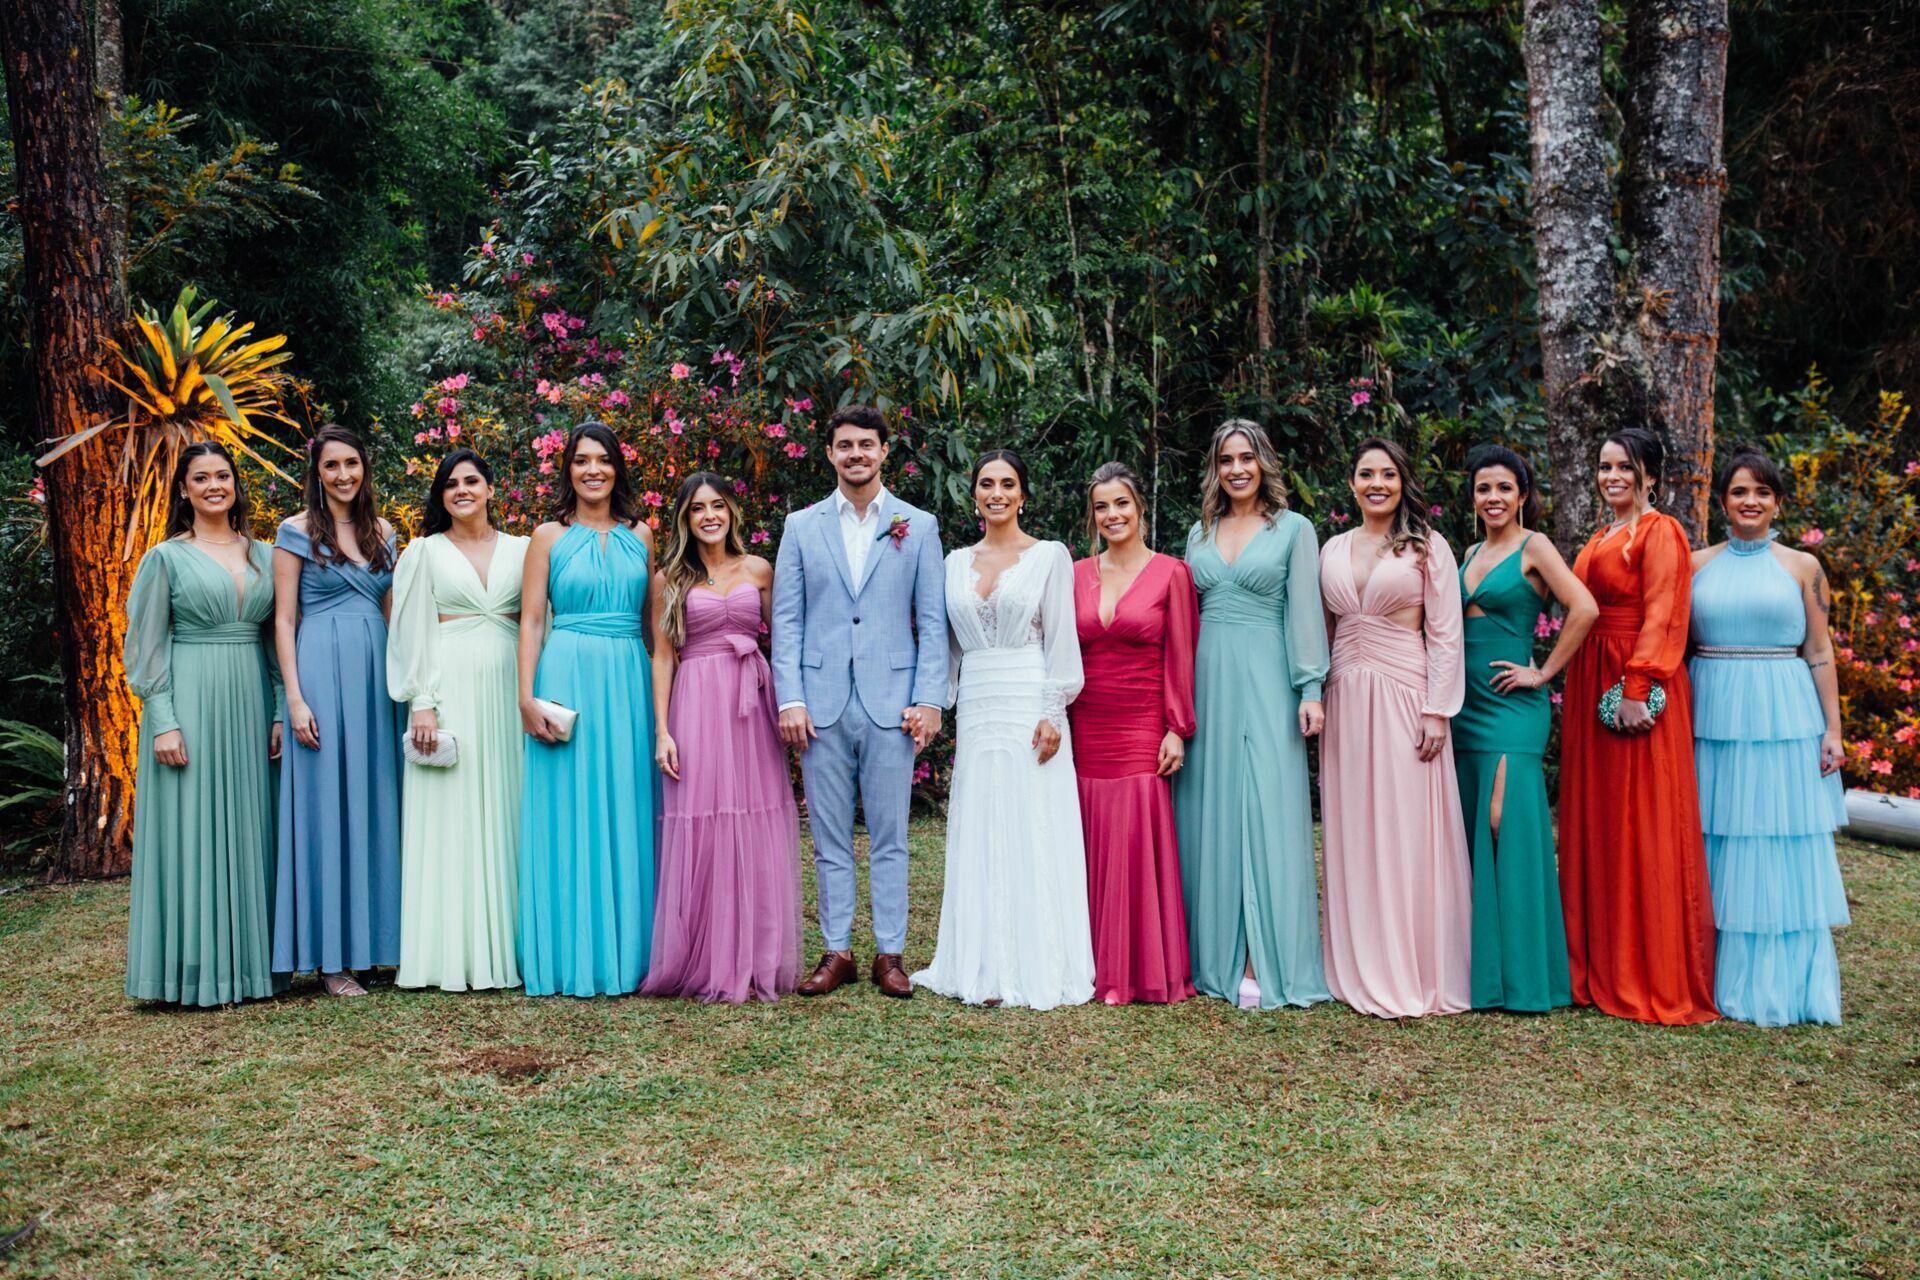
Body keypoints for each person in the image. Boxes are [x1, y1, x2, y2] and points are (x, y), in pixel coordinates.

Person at [771, 405, 947, 999]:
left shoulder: (916, 526)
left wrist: (929, 700)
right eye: (844, 445)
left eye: (866, 445)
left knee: (892, 835)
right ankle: (838, 950)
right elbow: (787, 620)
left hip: (892, 705)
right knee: (828, 836)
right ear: (829, 453)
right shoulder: (801, 525)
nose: (856, 455)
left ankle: (890, 954)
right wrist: (790, 697)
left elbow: (932, 620)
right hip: (818, 706)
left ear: (883, 451)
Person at [913, 450, 1095, 1009]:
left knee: (1032, 818)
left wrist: (1053, 709)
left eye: (1008, 483)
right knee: (982, 820)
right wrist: (932, 705)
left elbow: (1063, 640)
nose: (997, 492)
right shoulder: (952, 562)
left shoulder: (1049, 557)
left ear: (1023, 495)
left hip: (1028, 695)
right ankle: (980, 960)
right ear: (974, 495)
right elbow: (943, 649)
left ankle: (1039, 960)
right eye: (986, 483)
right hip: (977, 702)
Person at [1560, 427, 1718, 1024]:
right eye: (1604, 467)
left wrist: (1638, 685)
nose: (1612, 477)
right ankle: (1596, 962)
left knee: (1640, 817)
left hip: (1632, 680)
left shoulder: (1661, 532)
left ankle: (1644, 969)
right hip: (1590, 677)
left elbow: (1664, 611)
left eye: (1624, 467)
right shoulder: (1603, 534)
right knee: (1599, 818)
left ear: (1650, 473)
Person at [1690, 445, 1849, 1025]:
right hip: (1712, 712)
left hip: (1783, 712)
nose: (1750, 501)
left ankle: (1780, 984)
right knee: (1717, 835)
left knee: (1776, 839)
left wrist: (1832, 730)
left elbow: (1819, 651)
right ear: (1723, 502)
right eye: (1739, 491)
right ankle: (1707, 975)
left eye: (1761, 491)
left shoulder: (1802, 567)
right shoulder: (1695, 564)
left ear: (1778, 501)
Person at [1175, 419, 1331, 1010]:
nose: (1237, 469)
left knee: (1270, 808)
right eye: (1225, 459)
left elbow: (1305, 615)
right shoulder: (1199, 533)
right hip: (1208, 679)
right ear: (1215, 469)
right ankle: (1214, 958)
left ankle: (1268, 960)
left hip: (1269, 675)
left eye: (1247, 458)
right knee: (1209, 809)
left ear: (1264, 463)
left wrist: (1310, 687)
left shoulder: (1294, 529)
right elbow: (1185, 621)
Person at [124, 442, 284, 1006]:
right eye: (201, 477)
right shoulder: (165, 558)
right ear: (184, 490)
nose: (214, 485)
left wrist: (280, 710)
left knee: (251, 825)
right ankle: (191, 970)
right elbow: (145, 646)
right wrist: (163, 721)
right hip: (189, 701)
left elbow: (275, 642)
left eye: (223, 475)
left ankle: (254, 968)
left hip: (250, 698)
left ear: (235, 484)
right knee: (193, 827)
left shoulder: (266, 554)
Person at [1318, 437, 1471, 1019]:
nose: (1376, 483)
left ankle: (1413, 963)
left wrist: (1437, 708)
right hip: (1346, 697)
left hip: (1407, 696)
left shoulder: (1428, 548)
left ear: (1403, 481)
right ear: (1352, 484)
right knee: (1355, 823)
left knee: (1407, 826)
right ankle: (1359, 956)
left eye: (1387, 473)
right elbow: (1323, 629)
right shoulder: (1330, 548)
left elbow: (1447, 633)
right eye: (1365, 473)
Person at [641, 473, 803, 1003]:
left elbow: (784, 642)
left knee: (753, 819)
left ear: (732, 511)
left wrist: (788, 704)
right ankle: (705, 956)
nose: (709, 515)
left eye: (717, 506)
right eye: (696, 509)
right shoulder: (670, 577)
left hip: (752, 701)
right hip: (697, 698)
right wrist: (663, 729)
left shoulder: (759, 568)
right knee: (703, 820)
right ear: (684, 520)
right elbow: (663, 656)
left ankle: (756, 957)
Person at [516, 421, 658, 997]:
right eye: (581, 461)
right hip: (565, 673)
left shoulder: (642, 535)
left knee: (627, 804)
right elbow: (529, 621)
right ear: (567, 469)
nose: (592, 470)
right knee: (567, 810)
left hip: (627, 677)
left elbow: (654, 628)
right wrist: (526, 698)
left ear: (617, 467)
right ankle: (566, 953)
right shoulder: (548, 535)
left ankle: (631, 952)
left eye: (602, 459)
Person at [1454, 445, 1597, 1012]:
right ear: (1473, 496)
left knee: (1502, 821)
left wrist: (1543, 671)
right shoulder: (1468, 551)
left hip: (1513, 707)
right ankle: (1483, 975)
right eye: (1483, 488)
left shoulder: (1533, 546)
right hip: (1465, 708)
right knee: (1472, 825)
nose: (1493, 498)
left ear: (1522, 494)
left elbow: (1583, 608)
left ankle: (1525, 976)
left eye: (1503, 488)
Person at [387, 449, 530, 992]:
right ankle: (451, 950)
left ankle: (513, 944)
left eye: (472, 480)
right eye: (450, 484)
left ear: (492, 489)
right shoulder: (423, 552)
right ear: (440, 496)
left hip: (509, 690)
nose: (461, 490)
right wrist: (421, 699)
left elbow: (538, 620)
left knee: (508, 806)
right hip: (450, 690)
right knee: (455, 813)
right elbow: (410, 629)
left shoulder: (523, 549)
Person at [271, 425, 402, 996]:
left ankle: (375, 945)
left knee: (375, 803)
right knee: (327, 807)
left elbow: (396, 614)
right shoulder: (294, 532)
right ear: (316, 474)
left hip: (377, 674)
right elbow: (282, 621)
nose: (344, 475)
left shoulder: (384, 533)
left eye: (352, 464)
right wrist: (294, 699)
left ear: (364, 468)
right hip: (320, 670)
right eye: (332, 466)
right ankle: (330, 960)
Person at [1070, 462, 1197, 1005]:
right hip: (1084, 727)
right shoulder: (1073, 573)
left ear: (1141, 506)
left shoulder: (1173, 572)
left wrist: (1177, 728)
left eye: (1121, 503)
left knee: (1133, 841)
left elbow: (1182, 656)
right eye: (1102, 506)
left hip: (1142, 725)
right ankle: (1084, 963)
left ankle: (1141, 968)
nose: (1112, 514)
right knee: (1084, 842)